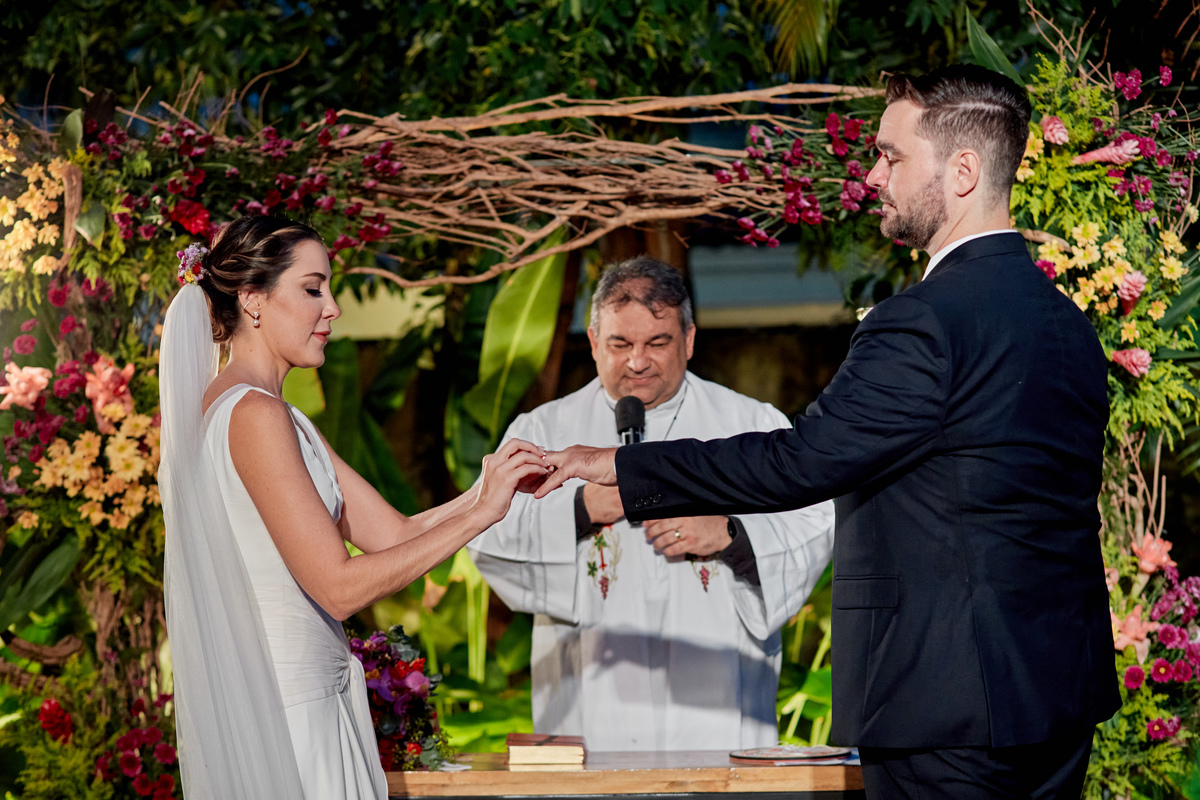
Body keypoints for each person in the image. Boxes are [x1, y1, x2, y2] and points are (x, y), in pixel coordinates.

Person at [534, 65, 1120, 798]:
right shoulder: (1069, 327)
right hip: (1060, 699)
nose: (874, 175)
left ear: (963, 170)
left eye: (892, 155)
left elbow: (801, 461)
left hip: (946, 711)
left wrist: (623, 468)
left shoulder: (923, 322)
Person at [158, 216, 546, 800]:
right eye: (313, 288)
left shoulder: (276, 415)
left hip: (318, 700)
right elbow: (337, 589)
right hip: (295, 716)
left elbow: (392, 535)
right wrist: (477, 516)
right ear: (253, 300)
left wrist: (489, 488)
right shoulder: (255, 416)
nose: (333, 308)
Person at [468, 256, 834, 751]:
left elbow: (815, 523)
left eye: (657, 343)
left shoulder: (751, 424)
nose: (637, 361)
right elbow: (488, 537)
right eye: (620, 344)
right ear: (595, 342)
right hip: (593, 695)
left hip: (716, 697)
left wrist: (731, 535)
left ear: (688, 340)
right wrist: (579, 509)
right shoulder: (542, 433)